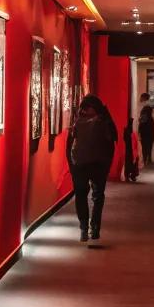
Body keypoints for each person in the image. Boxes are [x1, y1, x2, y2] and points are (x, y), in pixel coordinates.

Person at [66, 93, 118, 243]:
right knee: (98, 196)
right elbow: (112, 143)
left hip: (80, 165)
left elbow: (69, 146)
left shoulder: (77, 120)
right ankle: (94, 228)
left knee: (81, 195)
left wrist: (72, 164)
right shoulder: (105, 120)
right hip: (99, 165)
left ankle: (83, 227)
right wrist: (107, 165)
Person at [137, 92, 154, 166]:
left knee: (145, 146)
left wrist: (140, 120)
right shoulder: (148, 107)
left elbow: (144, 119)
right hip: (149, 130)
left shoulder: (146, 108)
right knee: (148, 146)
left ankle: (146, 160)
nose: (140, 99)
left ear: (144, 98)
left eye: (141, 97)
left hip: (146, 130)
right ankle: (148, 160)